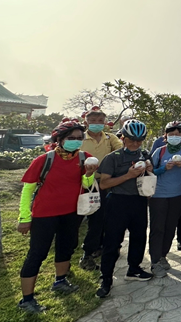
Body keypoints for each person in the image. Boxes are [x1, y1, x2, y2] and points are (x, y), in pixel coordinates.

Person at [17, 120, 95, 314]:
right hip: (44, 215)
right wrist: (24, 217)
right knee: (37, 253)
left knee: (66, 247)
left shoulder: (85, 158)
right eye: (71, 138)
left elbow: (86, 184)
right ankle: (27, 299)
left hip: (71, 213)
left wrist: (90, 173)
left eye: (79, 138)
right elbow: (28, 190)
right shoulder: (44, 160)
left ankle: (60, 281)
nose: (76, 142)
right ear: (59, 140)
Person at [96, 119, 155, 299]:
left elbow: (149, 177)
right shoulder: (113, 158)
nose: (136, 144)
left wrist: (150, 171)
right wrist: (128, 175)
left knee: (139, 237)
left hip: (138, 201)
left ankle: (134, 269)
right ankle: (106, 278)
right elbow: (105, 183)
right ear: (123, 138)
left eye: (139, 140)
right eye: (132, 140)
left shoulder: (144, 154)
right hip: (118, 201)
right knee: (113, 241)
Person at [78, 108, 122, 270]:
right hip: (86, 182)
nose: (97, 124)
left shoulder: (110, 138)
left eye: (100, 121)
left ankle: (104, 246)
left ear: (105, 123)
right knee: (94, 219)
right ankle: (88, 253)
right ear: (86, 122)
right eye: (93, 121)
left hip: (106, 182)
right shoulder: (80, 139)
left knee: (108, 217)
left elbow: (121, 150)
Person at [148, 121, 181, 277]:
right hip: (158, 195)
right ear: (165, 136)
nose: (174, 137)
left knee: (170, 227)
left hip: (178, 195)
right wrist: (164, 168)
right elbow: (151, 172)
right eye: (171, 134)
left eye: (178, 134)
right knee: (157, 228)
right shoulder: (159, 151)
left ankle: (163, 255)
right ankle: (154, 261)